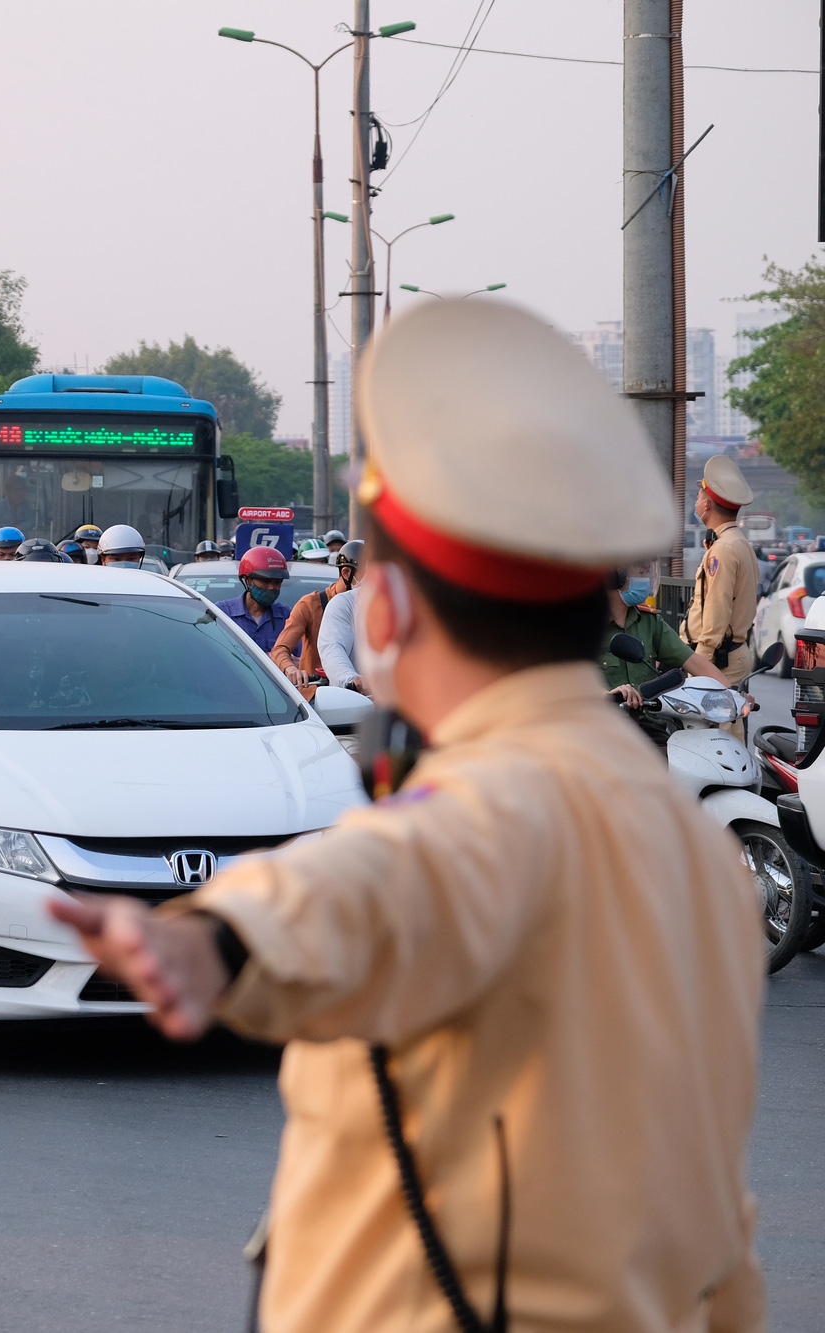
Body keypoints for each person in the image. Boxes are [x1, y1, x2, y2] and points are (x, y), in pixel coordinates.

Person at [48, 299, 763, 1333]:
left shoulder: (494, 804)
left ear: (383, 613)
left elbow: (380, 885)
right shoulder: (689, 850)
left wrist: (212, 939)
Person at [685, 455, 762, 702]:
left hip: (718, 659)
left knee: (713, 735)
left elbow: (717, 610)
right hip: (729, 653)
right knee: (728, 730)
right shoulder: (738, 543)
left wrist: (700, 661)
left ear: (706, 505)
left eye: (699, 497)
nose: (696, 502)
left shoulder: (722, 550)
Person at [601, 565, 724, 706]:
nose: (646, 579)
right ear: (613, 575)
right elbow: (573, 677)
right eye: (641, 572)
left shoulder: (650, 621)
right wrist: (607, 695)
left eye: (648, 573)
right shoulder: (584, 625)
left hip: (647, 720)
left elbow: (693, 661)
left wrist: (734, 694)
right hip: (603, 721)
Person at [271, 539, 359, 689]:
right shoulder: (310, 604)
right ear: (346, 573)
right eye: (368, 574)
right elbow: (280, 649)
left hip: (364, 695)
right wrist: (291, 669)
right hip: (318, 693)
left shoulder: (377, 605)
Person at [214, 546, 291, 653]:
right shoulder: (222, 613)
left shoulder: (286, 616)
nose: (272, 587)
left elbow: (300, 658)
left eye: (277, 582)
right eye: (265, 581)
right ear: (247, 580)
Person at [315, 544, 366, 691]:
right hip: (358, 700)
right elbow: (332, 647)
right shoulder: (344, 604)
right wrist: (351, 679)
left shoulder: (415, 604)